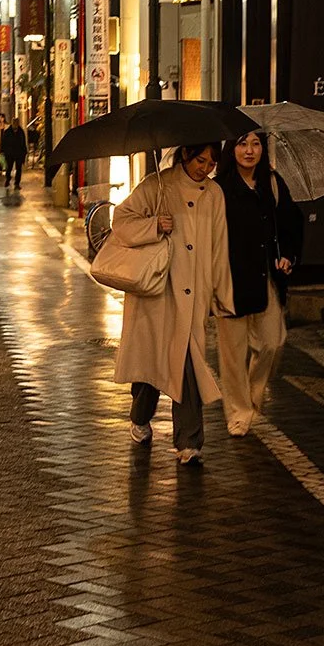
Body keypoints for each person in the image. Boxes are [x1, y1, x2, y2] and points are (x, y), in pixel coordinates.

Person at [110, 143, 230, 465]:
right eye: (200, 160)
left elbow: (220, 246)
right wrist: (153, 226)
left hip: (193, 295)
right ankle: (139, 416)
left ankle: (189, 441)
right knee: (151, 364)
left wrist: (220, 294)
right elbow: (121, 220)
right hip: (157, 291)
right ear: (186, 155)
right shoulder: (157, 185)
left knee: (188, 365)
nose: (204, 168)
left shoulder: (214, 194)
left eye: (211, 163)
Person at [215, 130, 306, 436]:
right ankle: (239, 412)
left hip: (265, 276)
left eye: (255, 144)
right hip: (229, 280)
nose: (249, 150)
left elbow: (292, 222)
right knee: (233, 354)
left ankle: (252, 398)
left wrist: (288, 255)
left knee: (272, 342)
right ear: (232, 149)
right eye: (242, 143)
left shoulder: (272, 183)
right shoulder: (219, 189)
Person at [0, 117, 28, 191]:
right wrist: (2, 152)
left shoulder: (21, 132)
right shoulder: (7, 132)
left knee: (18, 169)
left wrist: (24, 153)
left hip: (18, 153)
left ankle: (17, 183)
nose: (15, 125)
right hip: (9, 154)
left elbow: (23, 143)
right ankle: (8, 179)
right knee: (9, 168)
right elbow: (3, 143)